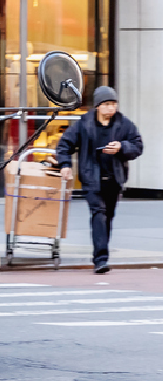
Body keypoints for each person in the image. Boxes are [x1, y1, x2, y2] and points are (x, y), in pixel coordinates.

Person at [55, 86, 143, 274]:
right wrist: (65, 165)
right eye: (107, 104)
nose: (112, 108)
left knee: (107, 216)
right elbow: (64, 144)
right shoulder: (84, 124)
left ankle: (101, 255)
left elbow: (138, 146)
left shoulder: (124, 124)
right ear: (98, 106)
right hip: (91, 178)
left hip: (115, 179)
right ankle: (100, 260)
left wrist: (121, 147)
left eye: (114, 104)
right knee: (99, 214)